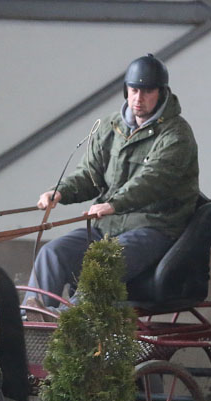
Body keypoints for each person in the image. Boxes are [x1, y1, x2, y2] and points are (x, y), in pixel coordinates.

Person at [24, 53, 199, 315]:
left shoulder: (177, 135)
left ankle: (67, 318)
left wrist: (114, 204)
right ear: (125, 90)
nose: (138, 98)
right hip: (108, 225)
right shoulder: (109, 127)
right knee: (52, 253)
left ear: (161, 93)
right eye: (134, 90)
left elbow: (153, 180)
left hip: (154, 227)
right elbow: (90, 174)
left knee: (105, 261)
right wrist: (60, 191)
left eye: (147, 91)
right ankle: (31, 315)